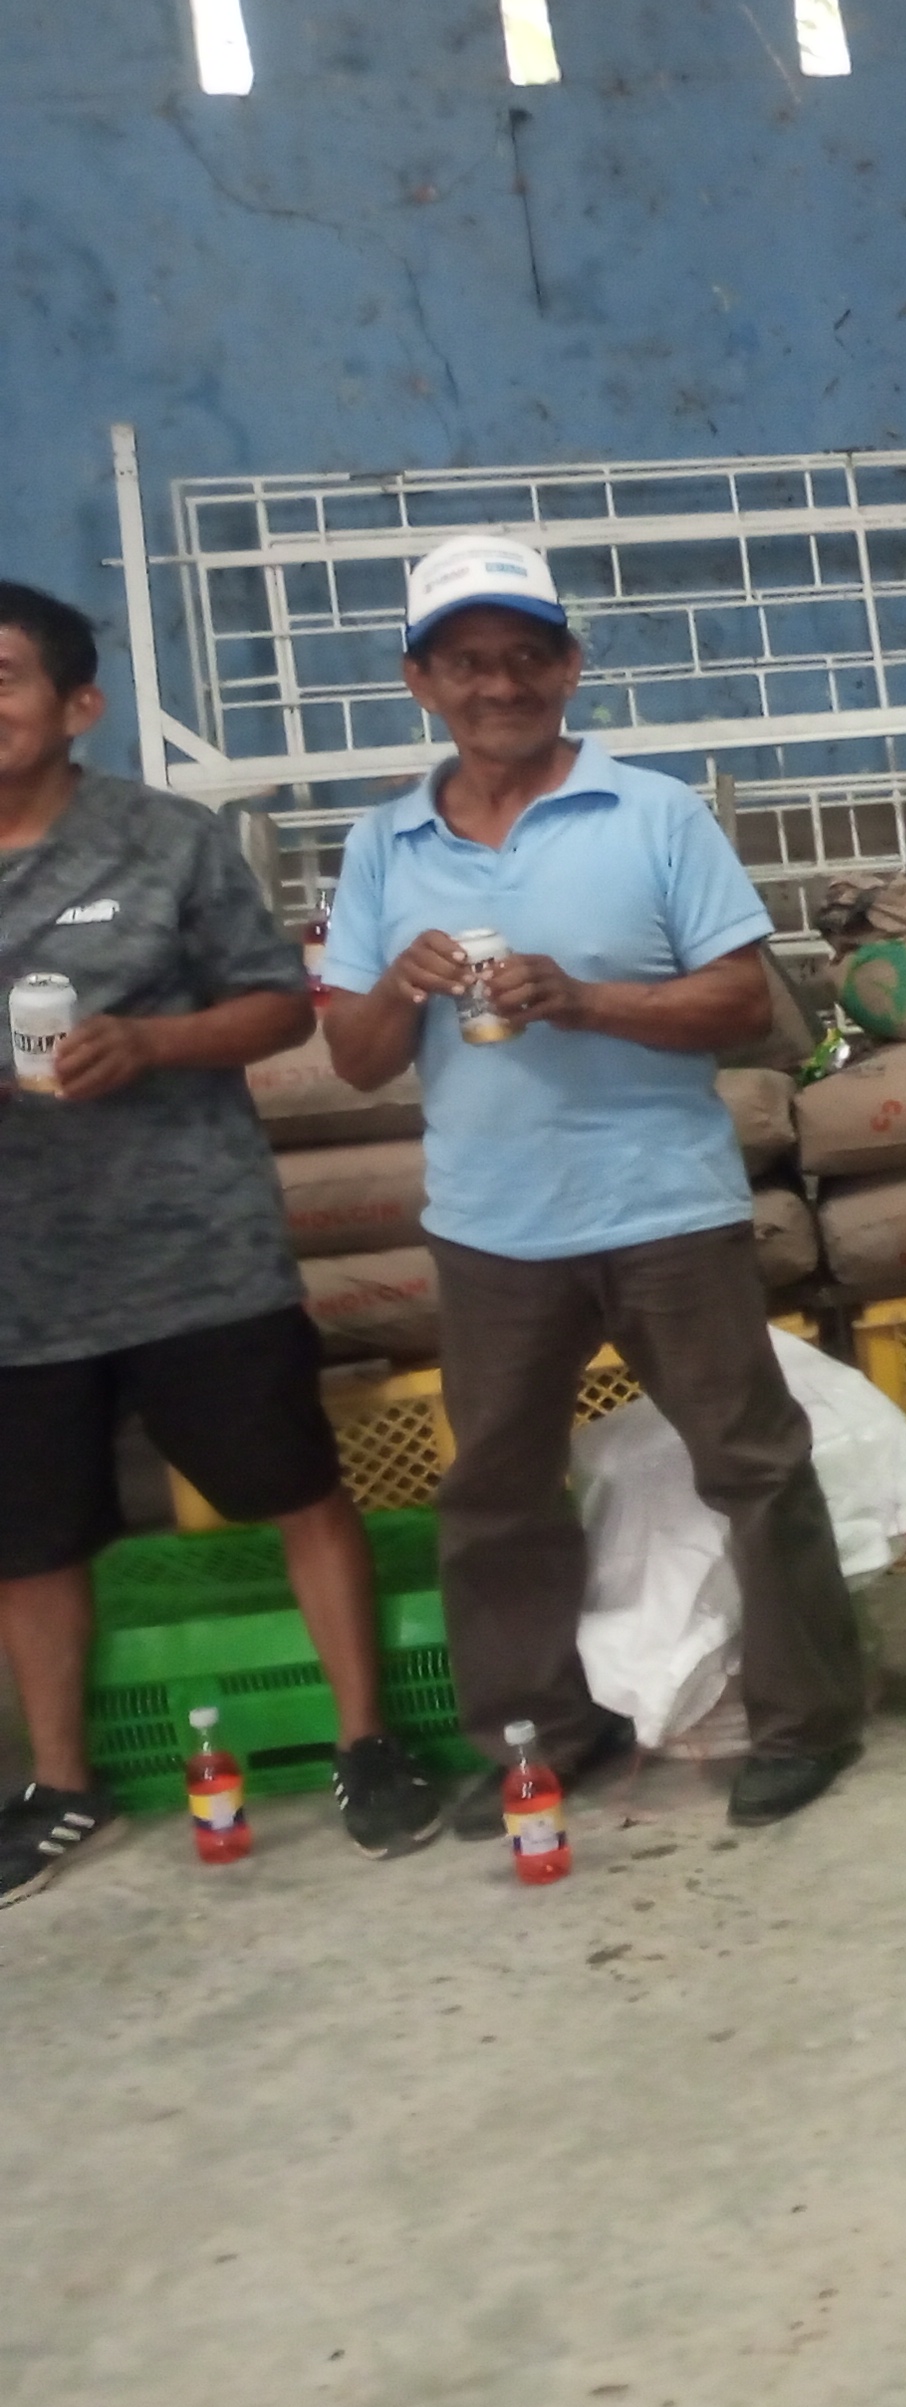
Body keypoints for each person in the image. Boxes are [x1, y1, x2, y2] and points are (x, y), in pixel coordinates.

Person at [318, 537, 867, 1833]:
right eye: (467, 662)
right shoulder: (382, 845)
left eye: (526, 656)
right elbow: (352, 1061)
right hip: (491, 1230)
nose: (499, 684)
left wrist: (587, 999)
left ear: (570, 667)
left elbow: (746, 1004)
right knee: (496, 1494)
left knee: (752, 1464)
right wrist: (398, 982)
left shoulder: (655, 813)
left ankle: (807, 1720)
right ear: (421, 681)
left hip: (665, 1208)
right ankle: (539, 1738)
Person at [0, 582, 444, 1900]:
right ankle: (61, 1785)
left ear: (78, 704)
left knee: (295, 1487)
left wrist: (149, 1042)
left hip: (194, 1253)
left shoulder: (164, 840)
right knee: (29, 1542)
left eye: (2, 678)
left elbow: (276, 1009)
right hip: (18, 1283)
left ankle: (367, 1744)